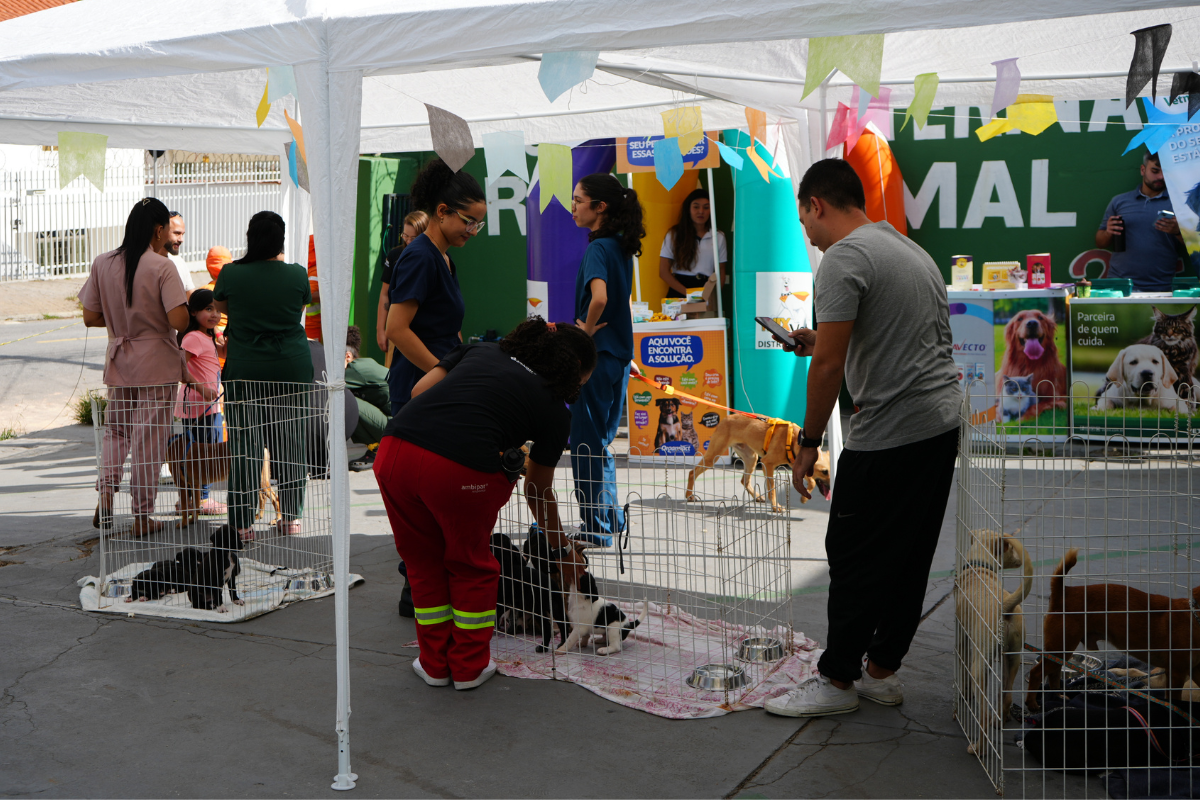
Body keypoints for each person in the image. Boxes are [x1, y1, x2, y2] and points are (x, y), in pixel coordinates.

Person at [766, 159, 961, 718]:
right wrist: (817, 342)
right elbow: (883, 335)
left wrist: (806, 444)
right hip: (937, 425)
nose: (807, 235)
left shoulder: (843, 259)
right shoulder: (906, 248)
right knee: (909, 554)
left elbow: (827, 369)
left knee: (850, 557)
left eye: (804, 221)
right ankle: (882, 671)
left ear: (815, 205)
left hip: (889, 434)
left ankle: (837, 680)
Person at [373, 317, 597, 690]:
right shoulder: (556, 410)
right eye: (580, 383)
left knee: (423, 563)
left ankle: (433, 665)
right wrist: (561, 548)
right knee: (471, 564)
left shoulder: (481, 349)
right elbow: (537, 489)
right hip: (457, 472)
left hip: (395, 454)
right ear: (572, 372)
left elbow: (419, 392)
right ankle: (467, 667)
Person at [79, 197, 189, 536]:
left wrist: (120, 320)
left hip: (120, 359)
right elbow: (178, 319)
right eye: (167, 232)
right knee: (149, 440)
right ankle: (142, 517)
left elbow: (90, 316)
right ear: (158, 230)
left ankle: (107, 494)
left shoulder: (102, 262)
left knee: (117, 432)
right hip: (157, 361)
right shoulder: (161, 266)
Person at [213, 211, 312, 540]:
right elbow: (299, 309)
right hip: (291, 368)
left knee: (245, 445)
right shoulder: (297, 275)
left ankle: (242, 526)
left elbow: (224, 308)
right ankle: (291, 519)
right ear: (281, 240)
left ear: (250, 237)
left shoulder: (231, 273)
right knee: (290, 442)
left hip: (246, 370)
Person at [569, 173, 643, 546]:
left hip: (596, 360)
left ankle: (595, 527)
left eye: (579, 200)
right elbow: (620, 301)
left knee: (585, 443)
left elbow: (599, 298)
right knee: (602, 441)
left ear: (601, 207)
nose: (573, 206)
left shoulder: (598, 248)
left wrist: (584, 333)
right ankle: (610, 518)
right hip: (618, 358)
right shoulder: (619, 246)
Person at [385, 159, 484, 416]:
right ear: (442, 211)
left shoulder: (444, 258)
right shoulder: (421, 257)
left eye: (478, 225)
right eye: (469, 222)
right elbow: (396, 328)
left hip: (436, 386)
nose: (473, 232)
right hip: (418, 389)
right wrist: (442, 373)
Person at [1096, 151, 1185, 292]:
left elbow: (1194, 246)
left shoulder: (1179, 203)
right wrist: (1108, 232)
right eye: (1155, 171)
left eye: (1165, 172)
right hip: (1119, 286)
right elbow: (1100, 242)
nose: (1161, 177)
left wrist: (1178, 231)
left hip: (1161, 287)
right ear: (1143, 170)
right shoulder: (1119, 201)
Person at [174, 287, 226, 514]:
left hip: (207, 407)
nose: (214, 314)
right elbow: (180, 368)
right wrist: (202, 390)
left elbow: (224, 355)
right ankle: (202, 498)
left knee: (199, 452)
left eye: (217, 310)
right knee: (204, 453)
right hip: (199, 406)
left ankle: (191, 499)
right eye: (208, 309)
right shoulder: (193, 337)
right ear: (193, 312)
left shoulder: (207, 336)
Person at [659, 187, 727, 318]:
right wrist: (688, 293)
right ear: (688, 209)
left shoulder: (718, 236)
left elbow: (721, 271)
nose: (701, 211)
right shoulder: (674, 234)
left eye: (706, 207)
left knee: (705, 333)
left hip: (706, 290)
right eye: (696, 207)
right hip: (679, 290)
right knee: (678, 334)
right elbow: (663, 272)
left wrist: (711, 295)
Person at [377, 210, 430, 355]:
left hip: (425, 331)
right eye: (405, 236)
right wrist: (381, 329)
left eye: (414, 238)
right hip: (398, 329)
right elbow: (385, 294)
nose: (408, 241)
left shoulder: (432, 257)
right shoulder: (395, 255)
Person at [343, 325, 391, 472]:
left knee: (344, 399)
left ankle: (377, 451)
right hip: (397, 424)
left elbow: (322, 384)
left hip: (397, 428)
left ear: (348, 356)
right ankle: (377, 448)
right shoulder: (364, 365)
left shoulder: (355, 370)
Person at [161, 211, 195, 297]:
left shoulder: (179, 262)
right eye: (177, 233)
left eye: (182, 234)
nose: (181, 239)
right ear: (160, 231)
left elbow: (192, 297)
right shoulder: (143, 263)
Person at [305, 235, 321, 341]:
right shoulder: (314, 269)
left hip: (311, 326)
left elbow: (310, 294)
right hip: (311, 325)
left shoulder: (314, 270)